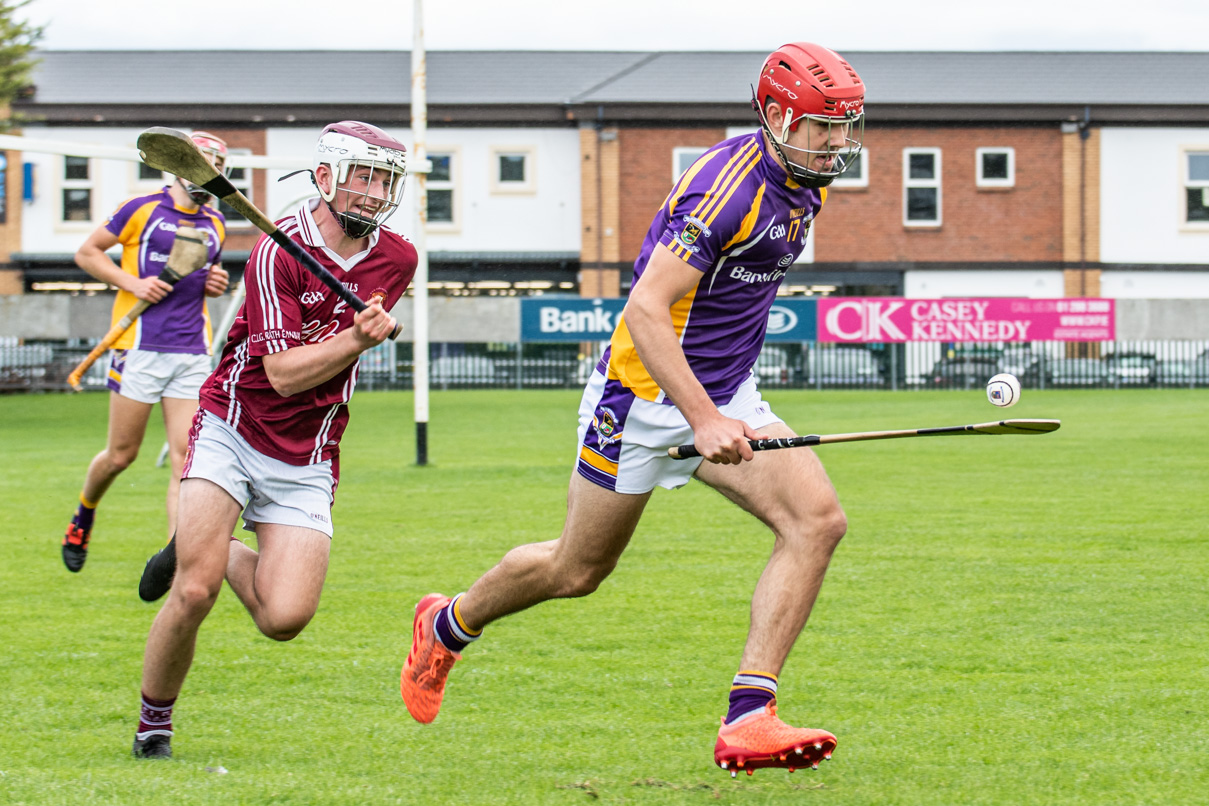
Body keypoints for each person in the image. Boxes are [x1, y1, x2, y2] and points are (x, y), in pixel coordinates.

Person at [401, 42, 865, 778]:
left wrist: (725, 403)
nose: (840, 145)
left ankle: (748, 716)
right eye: (824, 128)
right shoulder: (724, 189)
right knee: (577, 569)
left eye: (847, 127)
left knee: (816, 520)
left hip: (724, 393)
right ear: (776, 116)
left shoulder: (806, 183)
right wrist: (701, 419)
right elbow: (646, 309)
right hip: (641, 396)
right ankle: (447, 624)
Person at [129, 121, 417, 759]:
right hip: (234, 425)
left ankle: (203, 539)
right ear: (325, 178)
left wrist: (355, 332)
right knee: (196, 590)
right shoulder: (276, 250)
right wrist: (357, 339)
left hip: (310, 451)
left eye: (385, 179)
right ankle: (154, 726)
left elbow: (329, 361)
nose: (373, 192)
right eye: (361, 176)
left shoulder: (398, 258)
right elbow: (283, 376)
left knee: (284, 619)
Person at [62, 132, 231, 573]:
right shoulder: (142, 209)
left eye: (216, 163)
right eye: (201, 161)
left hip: (191, 351)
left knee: (185, 459)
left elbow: (203, 275)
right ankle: (84, 513)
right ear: (179, 164)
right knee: (121, 455)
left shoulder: (215, 223)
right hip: (139, 346)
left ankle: (178, 558)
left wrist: (214, 282)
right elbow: (87, 252)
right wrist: (132, 283)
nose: (208, 170)